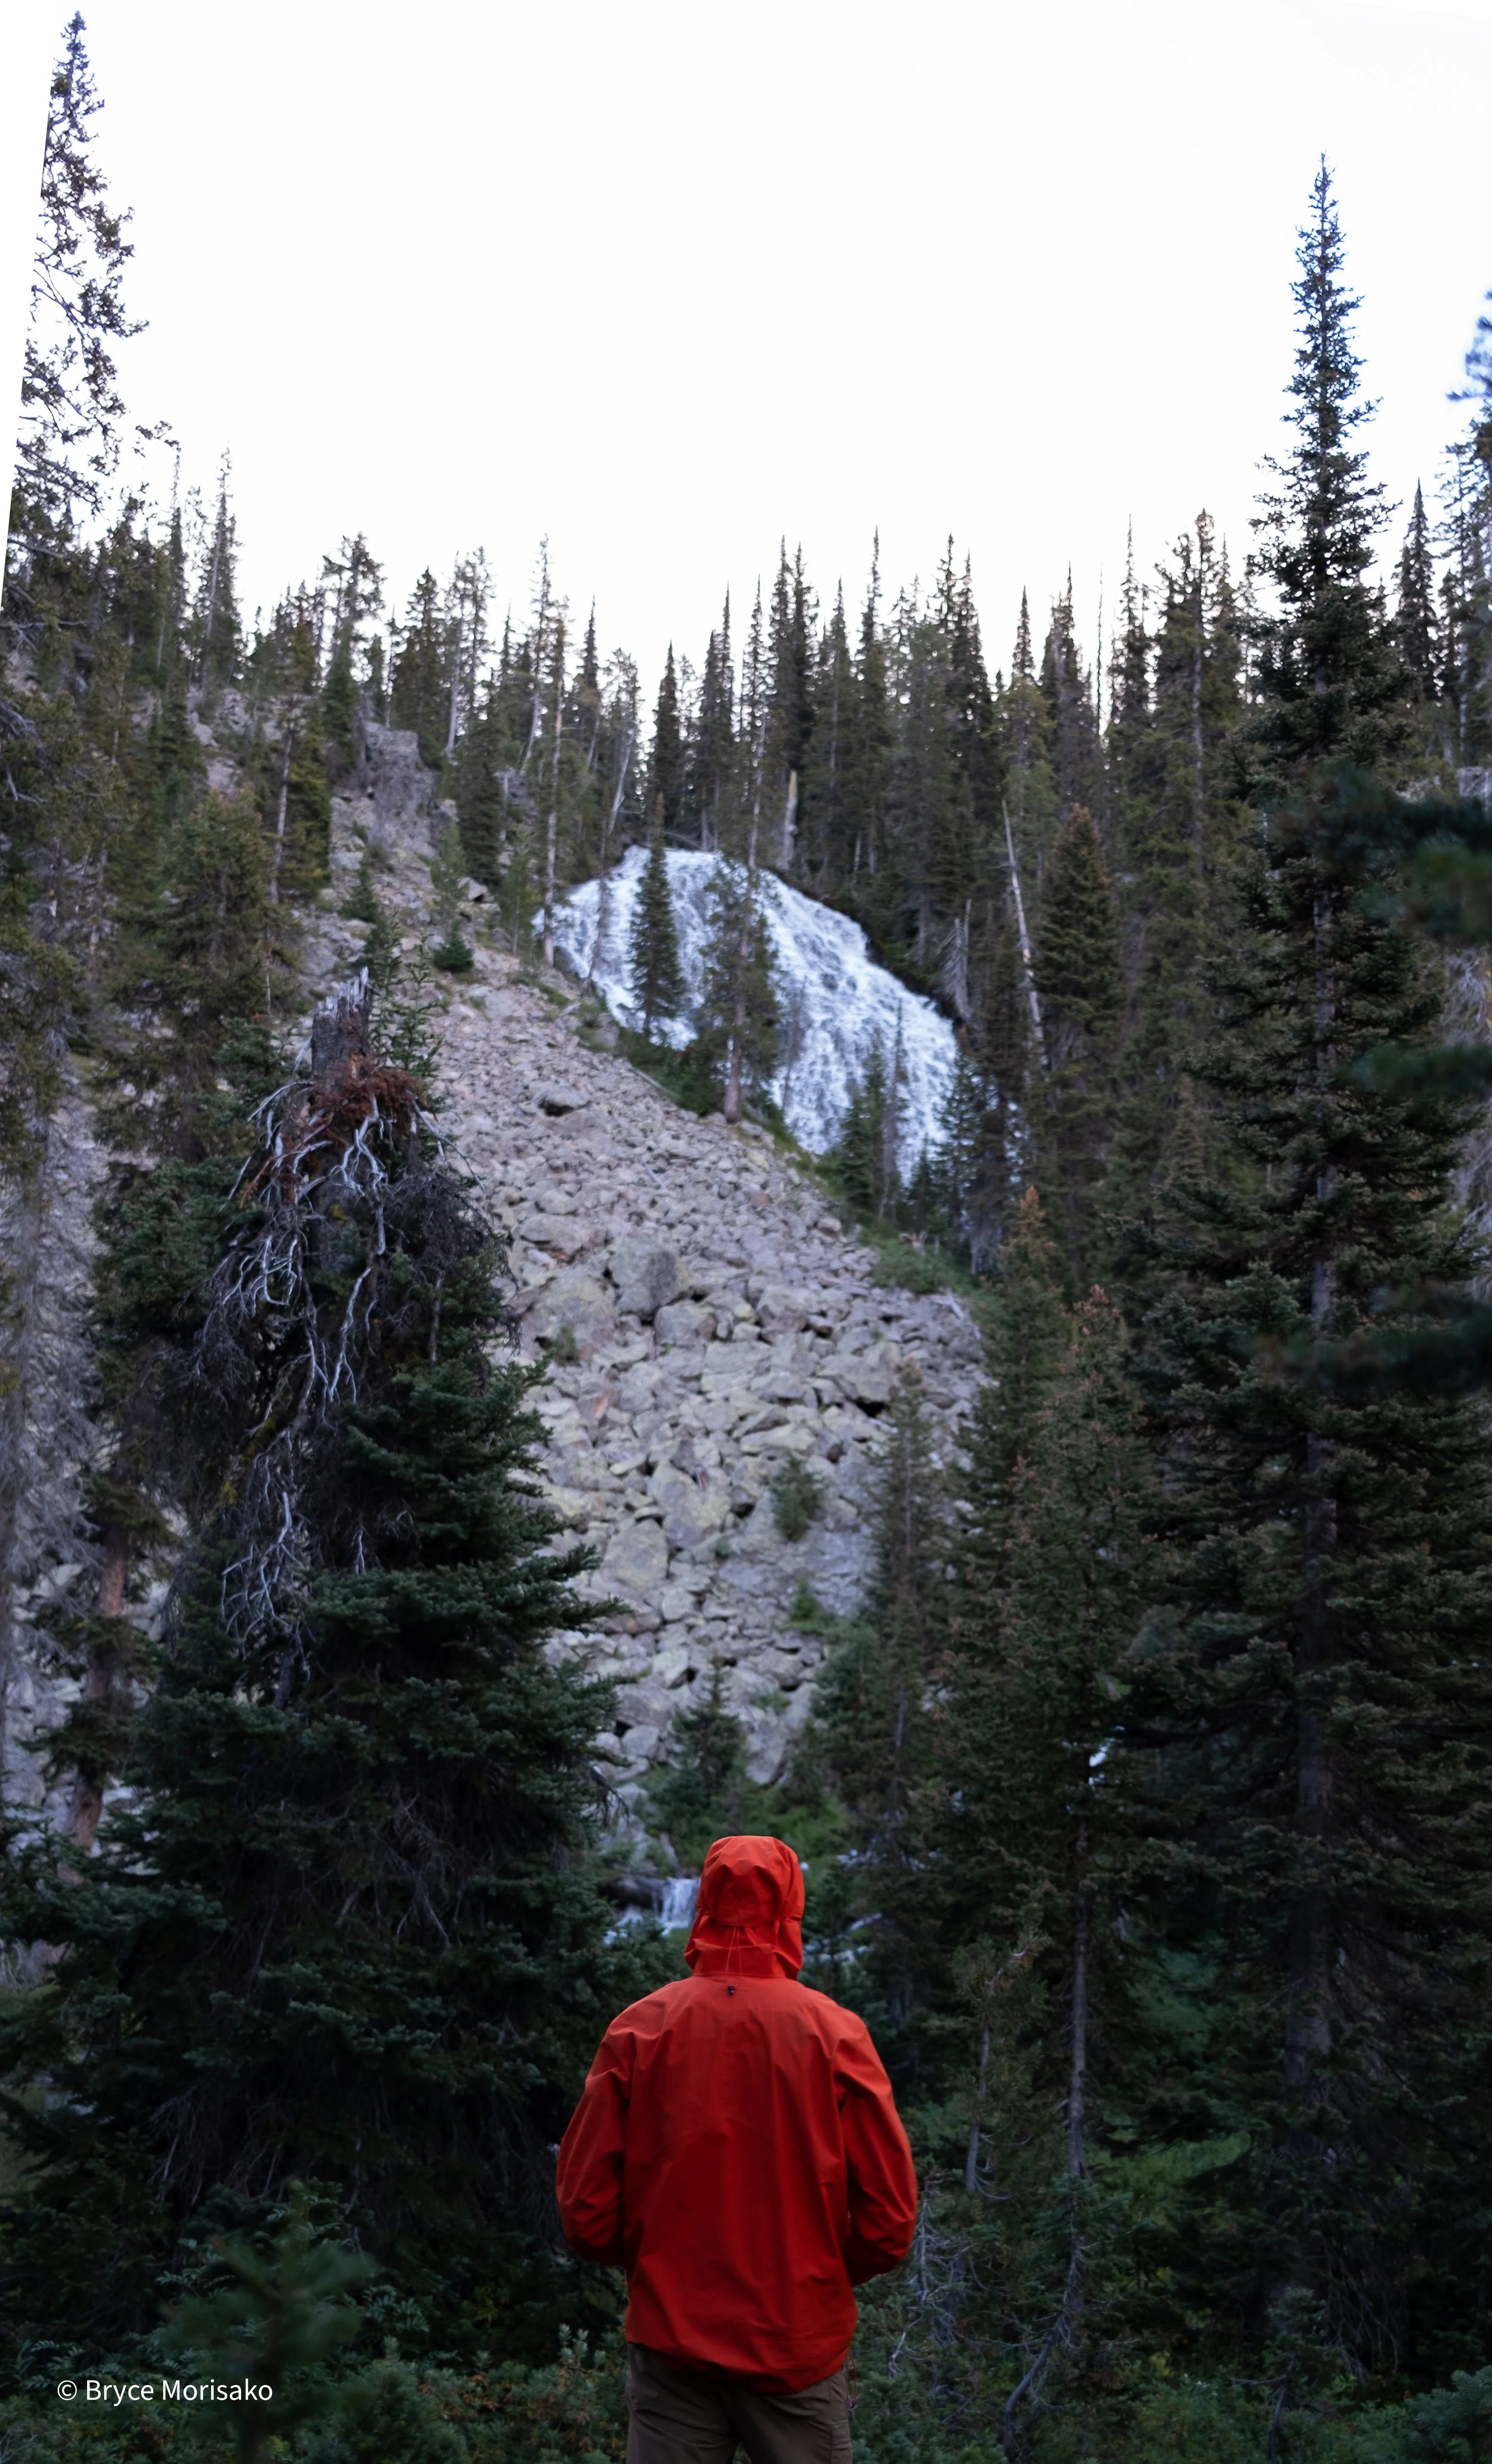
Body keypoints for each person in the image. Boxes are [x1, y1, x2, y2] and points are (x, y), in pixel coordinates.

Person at [556, 1832, 918, 2464]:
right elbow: (889, 2222)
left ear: (704, 1906)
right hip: (796, 2348)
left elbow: (585, 2211)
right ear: (790, 1910)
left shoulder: (640, 2028)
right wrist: (816, 2277)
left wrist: (659, 2269)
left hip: (672, 2348)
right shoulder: (836, 2035)